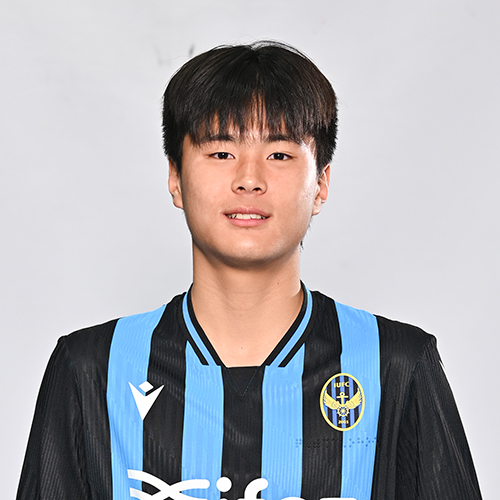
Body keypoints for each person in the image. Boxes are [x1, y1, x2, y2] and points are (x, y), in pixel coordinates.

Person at [17, 41, 482, 500]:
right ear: (175, 177)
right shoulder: (92, 369)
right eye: (221, 153)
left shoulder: (394, 364)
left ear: (321, 183)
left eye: (279, 154)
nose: (249, 179)